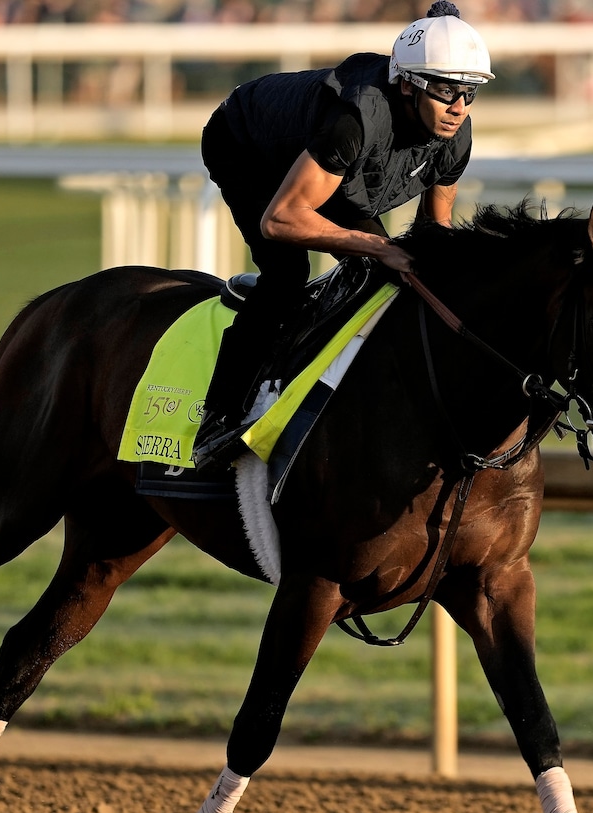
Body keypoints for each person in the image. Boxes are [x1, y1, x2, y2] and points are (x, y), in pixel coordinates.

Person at [192, 0, 494, 471]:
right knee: (287, 273)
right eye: (446, 92)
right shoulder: (356, 118)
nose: (458, 108)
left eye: (469, 93)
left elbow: (434, 235)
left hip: (333, 169)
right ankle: (218, 417)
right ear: (406, 84)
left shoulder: (456, 135)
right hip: (246, 146)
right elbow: (282, 220)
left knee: (402, 274)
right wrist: (376, 246)